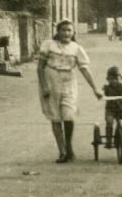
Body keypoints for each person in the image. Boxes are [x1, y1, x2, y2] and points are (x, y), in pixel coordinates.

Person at [36, 19, 103, 163]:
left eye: (69, 30)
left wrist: (95, 88)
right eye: (63, 30)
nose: (66, 33)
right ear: (58, 32)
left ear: (73, 33)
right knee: (55, 117)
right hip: (51, 80)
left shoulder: (76, 48)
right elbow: (40, 67)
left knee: (68, 115)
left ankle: (69, 147)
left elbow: (84, 69)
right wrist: (44, 86)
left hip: (69, 82)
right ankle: (62, 151)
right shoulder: (48, 45)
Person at [101, 66, 122, 144]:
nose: (114, 81)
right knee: (109, 121)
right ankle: (109, 140)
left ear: (120, 78)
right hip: (110, 109)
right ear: (108, 80)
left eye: (116, 79)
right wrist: (101, 95)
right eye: (111, 79)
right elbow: (102, 92)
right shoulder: (106, 88)